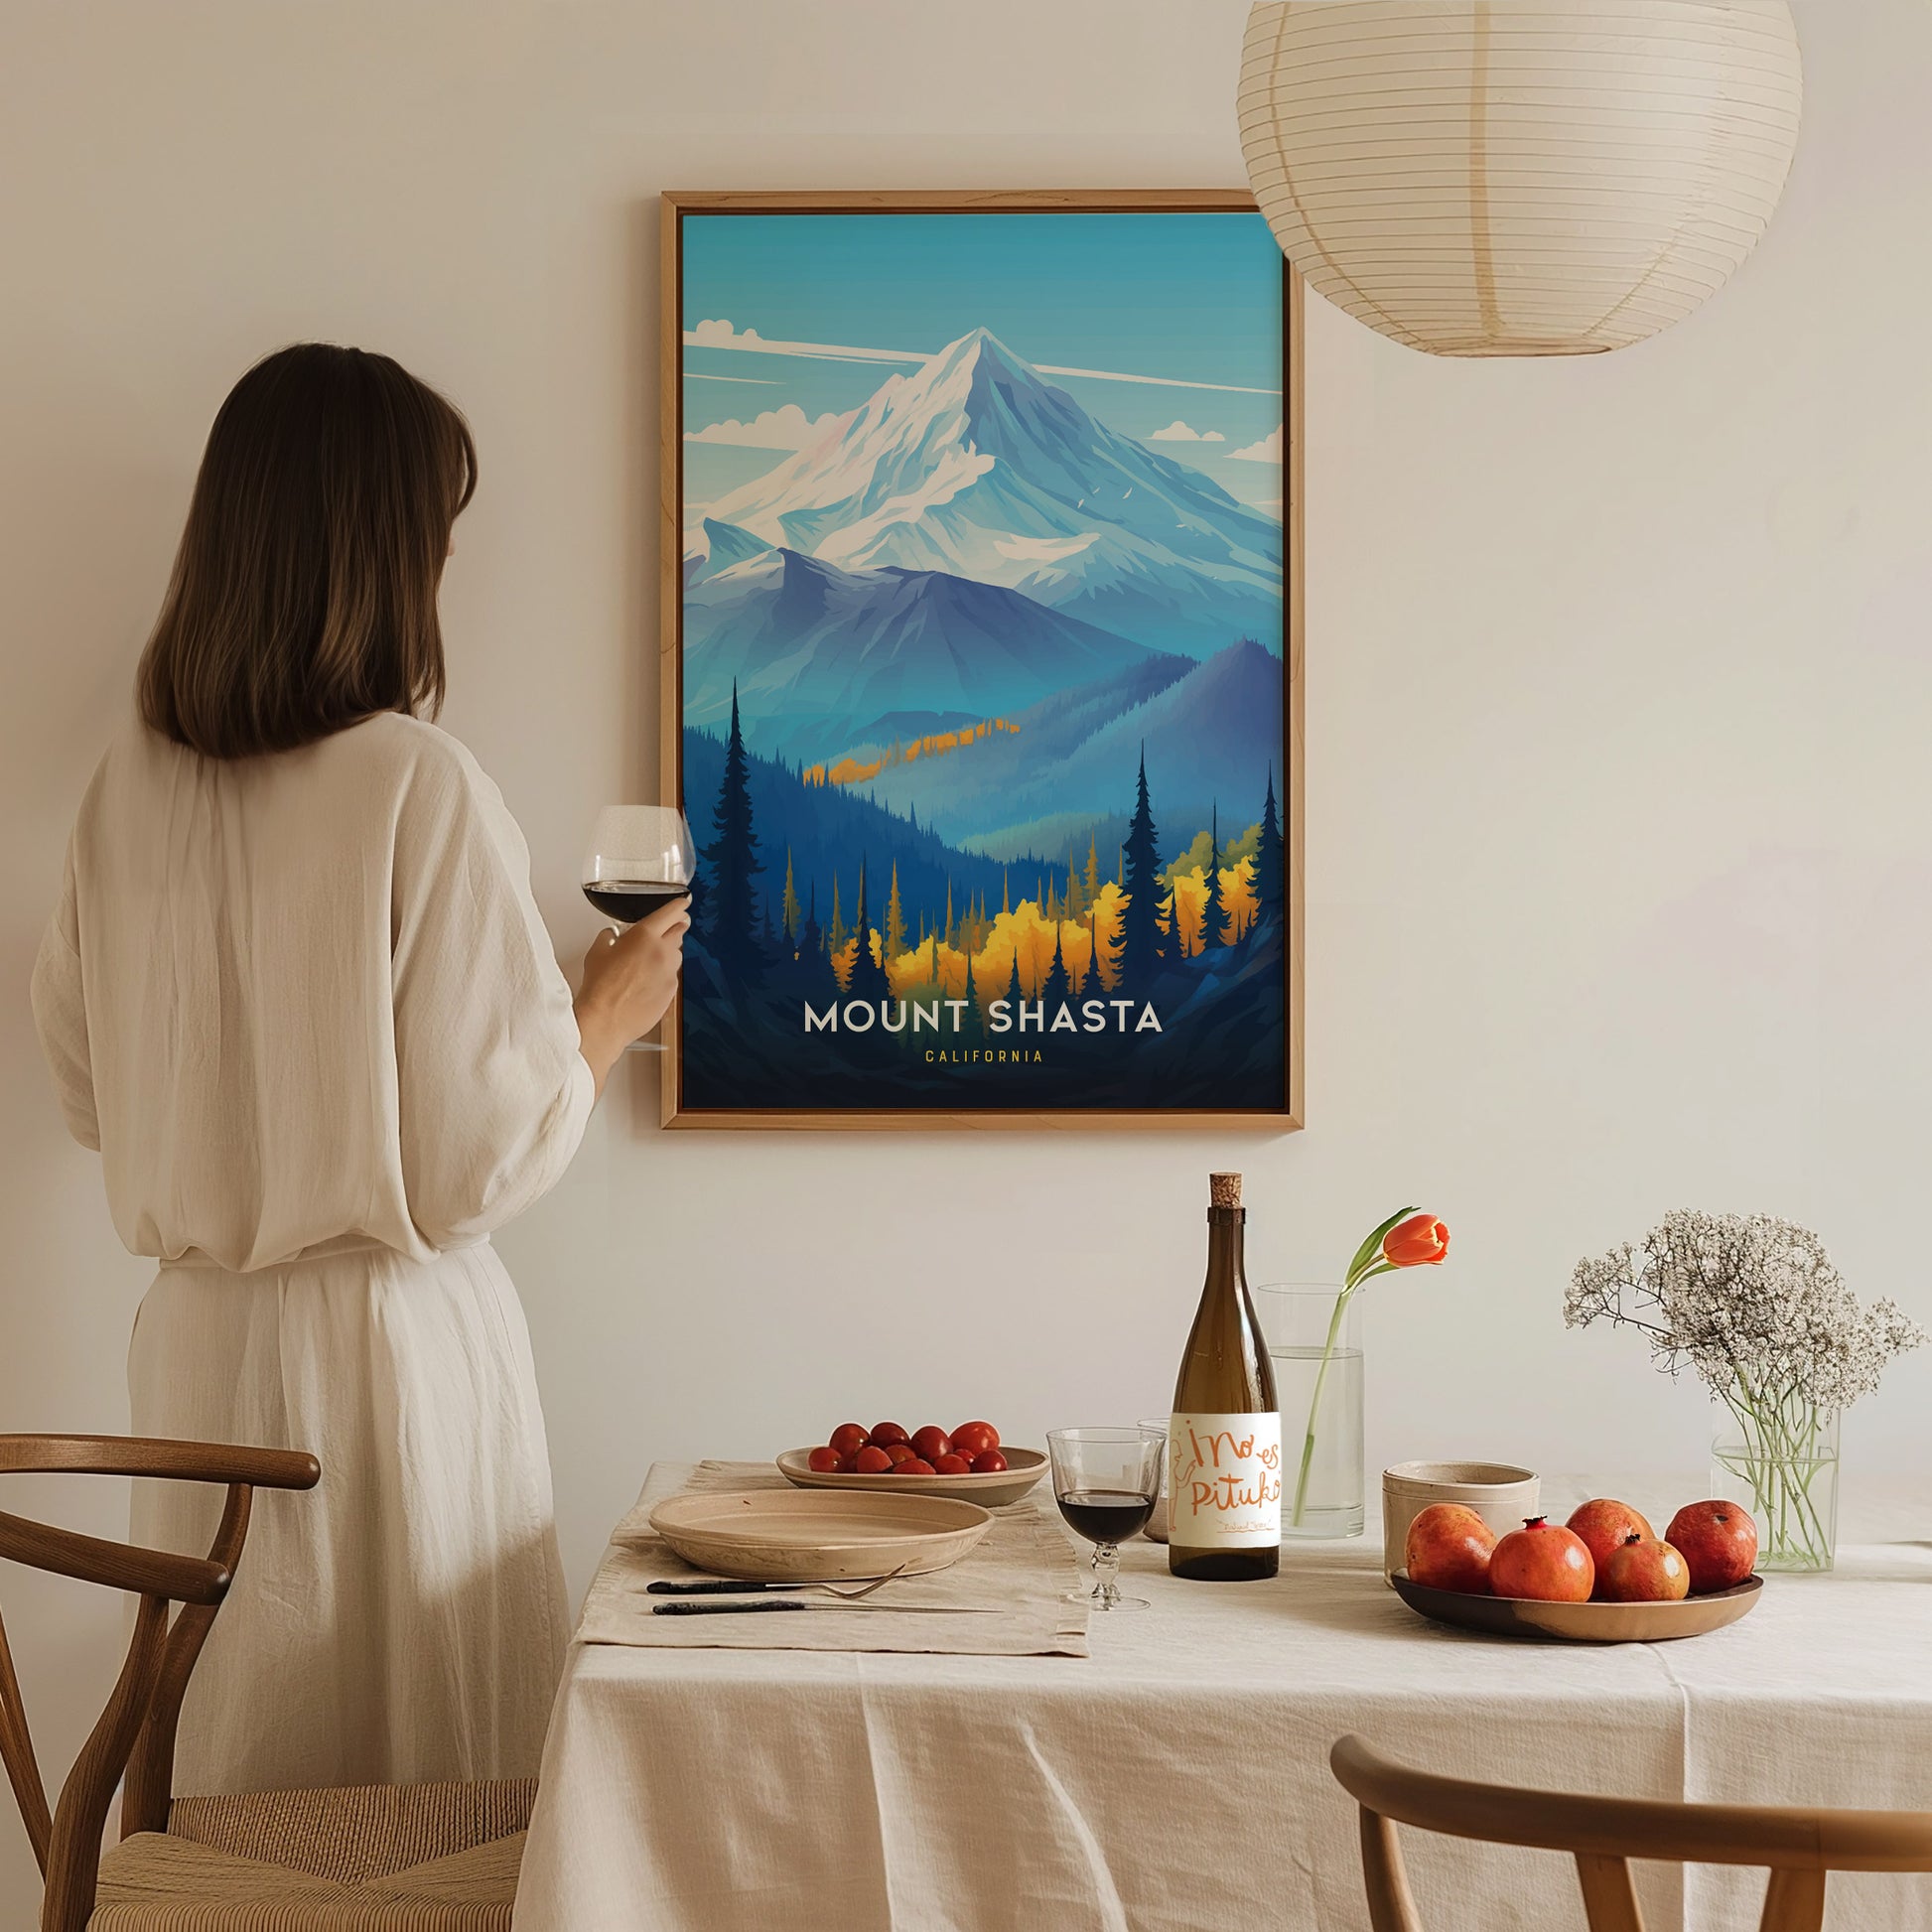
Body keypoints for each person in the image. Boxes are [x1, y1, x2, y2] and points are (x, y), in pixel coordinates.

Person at [29, 343, 685, 1793]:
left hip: (196, 1353)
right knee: (420, 1800)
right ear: (384, 553)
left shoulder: (121, 792)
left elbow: (87, 1092)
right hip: (387, 1365)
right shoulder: (415, 780)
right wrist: (601, 1013)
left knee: (239, 1780)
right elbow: (470, 1164)